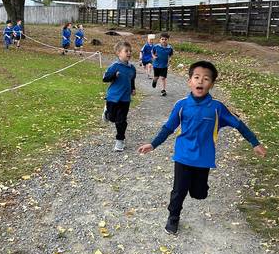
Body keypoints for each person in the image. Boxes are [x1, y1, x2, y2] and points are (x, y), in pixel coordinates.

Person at [138, 60, 267, 235]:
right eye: (196, 77)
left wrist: (255, 143)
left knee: (199, 194)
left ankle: (197, 187)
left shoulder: (217, 108)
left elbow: (239, 125)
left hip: (204, 158)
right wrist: (153, 144)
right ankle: (173, 218)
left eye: (206, 79)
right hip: (183, 155)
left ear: (211, 84)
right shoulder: (181, 105)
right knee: (179, 190)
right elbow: (168, 128)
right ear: (189, 81)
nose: (200, 81)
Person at [102, 41, 136, 152]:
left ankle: (120, 140)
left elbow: (132, 79)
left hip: (125, 99)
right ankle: (107, 113)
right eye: (126, 51)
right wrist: (114, 75)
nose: (129, 53)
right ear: (118, 53)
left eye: (130, 51)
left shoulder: (132, 68)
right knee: (112, 118)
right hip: (112, 97)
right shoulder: (114, 66)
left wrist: (133, 88)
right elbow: (105, 78)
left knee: (121, 120)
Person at [151, 32, 173, 96]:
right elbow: (152, 52)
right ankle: (154, 81)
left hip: (164, 65)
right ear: (160, 40)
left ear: (168, 40)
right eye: (162, 39)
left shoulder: (170, 48)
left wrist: (170, 59)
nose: (164, 40)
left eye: (165, 39)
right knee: (156, 77)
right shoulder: (156, 46)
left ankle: (163, 90)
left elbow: (170, 55)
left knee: (163, 78)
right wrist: (154, 56)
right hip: (156, 65)